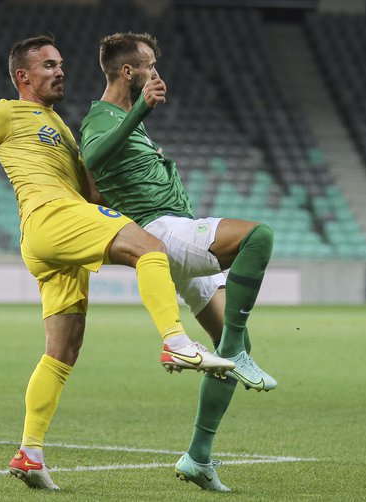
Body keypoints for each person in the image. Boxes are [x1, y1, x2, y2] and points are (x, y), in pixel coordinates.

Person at [0, 35, 235, 492]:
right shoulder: (1, 113)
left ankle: (30, 453)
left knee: (64, 350)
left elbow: (93, 195)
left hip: (57, 234)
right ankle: (175, 340)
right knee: (150, 249)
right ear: (23, 76)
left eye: (61, 64)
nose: (61, 71)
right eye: (49, 65)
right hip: (48, 217)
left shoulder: (64, 128)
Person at [80, 32, 277, 492]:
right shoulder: (100, 117)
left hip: (171, 233)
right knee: (258, 237)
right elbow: (92, 155)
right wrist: (141, 109)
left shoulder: (126, 120)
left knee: (224, 357)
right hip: (165, 232)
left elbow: (94, 188)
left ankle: (198, 458)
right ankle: (236, 350)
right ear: (128, 71)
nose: (156, 71)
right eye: (149, 64)